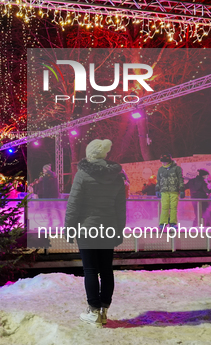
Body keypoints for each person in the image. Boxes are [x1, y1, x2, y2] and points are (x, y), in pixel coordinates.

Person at [64, 139, 126, 328]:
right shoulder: (117, 176)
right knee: (106, 270)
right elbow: (120, 208)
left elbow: (73, 205)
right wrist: (119, 230)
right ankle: (104, 311)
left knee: (90, 270)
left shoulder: (82, 175)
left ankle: (93, 312)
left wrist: (69, 228)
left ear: (90, 154)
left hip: (87, 228)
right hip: (108, 228)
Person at [155, 153, 184, 230]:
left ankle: (173, 222)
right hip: (164, 191)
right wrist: (157, 189)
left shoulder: (177, 168)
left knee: (173, 207)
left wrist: (182, 189)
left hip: (174, 190)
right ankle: (163, 222)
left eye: (165, 161)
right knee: (164, 207)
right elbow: (158, 180)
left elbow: (180, 179)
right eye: (162, 161)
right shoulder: (160, 169)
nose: (163, 163)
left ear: (169, 161)